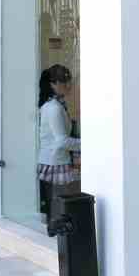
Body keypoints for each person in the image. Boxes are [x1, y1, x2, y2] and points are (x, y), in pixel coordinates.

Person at [37, 63, 79, 216]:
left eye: (69, 80)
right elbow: (62, 140)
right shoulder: (54, 107)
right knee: (60, 209)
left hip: (53, 161)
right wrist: (87, 144)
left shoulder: (52, 105)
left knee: (56, 207)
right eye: (64, 81)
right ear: (53, 84)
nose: (68, 85)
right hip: (55, 163)